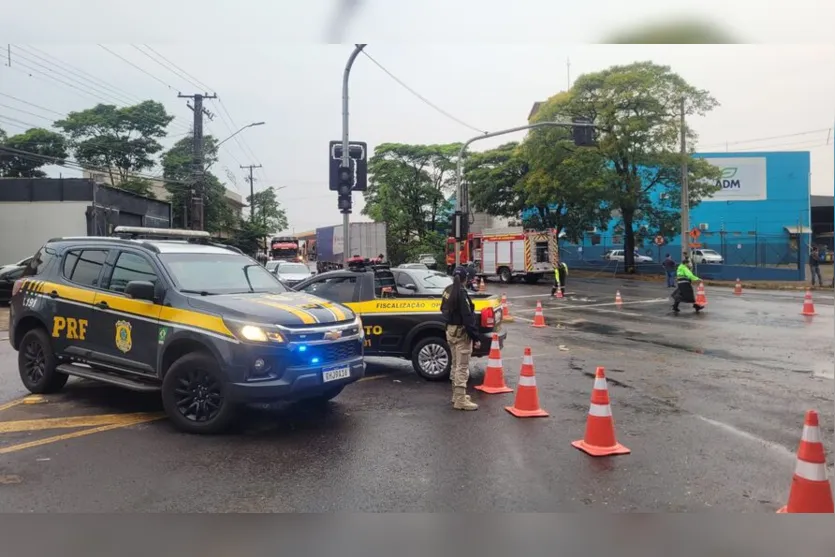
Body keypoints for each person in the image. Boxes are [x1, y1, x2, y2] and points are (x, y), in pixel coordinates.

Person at [440, 266, 481, 411]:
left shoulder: (448, 290)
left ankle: (456, 395)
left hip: (450, 331)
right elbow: (468, 318)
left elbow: (442, 310)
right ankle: (460, 400)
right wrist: (476, 337)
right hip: (462, 333)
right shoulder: (461, 293)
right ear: (466, 279)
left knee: (455, 365)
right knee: (462, 367)